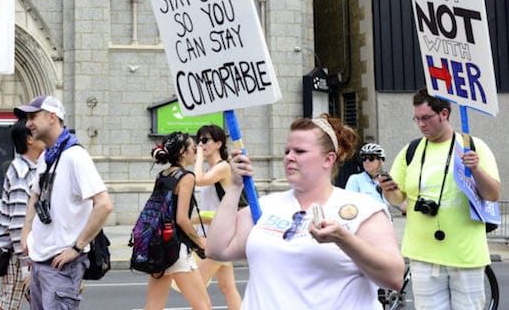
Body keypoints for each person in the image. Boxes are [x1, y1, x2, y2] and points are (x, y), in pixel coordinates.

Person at [207, 114, 404, 309]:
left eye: (300, 151)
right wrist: (234, 187)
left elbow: (394, 277)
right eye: (287, 151)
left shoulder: (363, 209)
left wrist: (344, 239)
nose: (289, 158)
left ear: (328, 159)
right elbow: (218, 249)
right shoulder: (266, 206)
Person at [379, 87, 500, 310]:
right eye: (416, 119)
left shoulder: (473, 147)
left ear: (444, 114)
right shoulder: (412, 150)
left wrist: (476, 170)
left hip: (466, 254)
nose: (421, 124)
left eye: (426, 118)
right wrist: (389, 190)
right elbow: (398, 198)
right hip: (423, 254)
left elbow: (493, 194)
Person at [15, 95, 113, 310]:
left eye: (33, 117)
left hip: (61, 263)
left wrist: (76, 248)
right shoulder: (47, 156)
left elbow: (104, 204)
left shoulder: (75, 156)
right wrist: (27, 234)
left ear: (52, 117)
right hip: (42, 260)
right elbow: (35, 195)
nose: (28, 123)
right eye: (27, 118)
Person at [145, 131, 211, 310]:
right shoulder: (186, 177)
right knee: (204, 306)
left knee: (153, 306)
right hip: (176, 249)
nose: (195, 151)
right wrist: (199, 241)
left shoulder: (162, 175)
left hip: (159, 246)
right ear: (183, 151)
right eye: (193, 148)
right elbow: (182, 219)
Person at [0, 119, 45, 310]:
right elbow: (18, 222)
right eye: (37, 133)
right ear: (29, 139)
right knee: (8, 305)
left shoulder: (31, 167)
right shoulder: (22, 171)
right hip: (18, 252)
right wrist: (25, 264)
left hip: (25, 251)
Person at [192, 125, 241, 310]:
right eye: (199, 141)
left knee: (196, 286)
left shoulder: (222, 167)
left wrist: (197, 157)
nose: (201, 145)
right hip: (213, 233)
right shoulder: (212, 168)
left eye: (205, 141)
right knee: (227, 287)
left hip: (217, 236)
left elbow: (198, 179)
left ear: (218, 144)